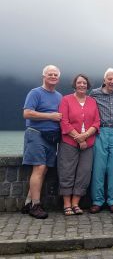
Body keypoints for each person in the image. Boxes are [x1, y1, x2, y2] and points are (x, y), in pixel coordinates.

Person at [21, 65, 62, 219]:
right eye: (50, 74)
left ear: (58, 78)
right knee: (39, 167)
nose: (53, 76)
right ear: (43, 76)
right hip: (36, 134)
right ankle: (35, 206)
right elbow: (27, 113)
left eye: (55, 75)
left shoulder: (59, 96)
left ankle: (28, 202)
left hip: (52, 138)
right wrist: (50, 116)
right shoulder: (35, 93)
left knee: (43, 170)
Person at [58, 74, 100, 215]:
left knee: (84, 172)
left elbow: (96, 122)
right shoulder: (66, 100)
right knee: (66, 171)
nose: (82, 85)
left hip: (88, 143)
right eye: (79, 82)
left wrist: (85, 137)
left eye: (84, 83)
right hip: (69, 142)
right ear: (75, 84)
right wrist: (78, 138)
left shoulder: (92, 101)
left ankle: (76, 203)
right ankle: (67, 204)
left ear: (88, 86)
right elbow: (64, 121)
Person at [89, 68, 113, 214]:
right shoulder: (94, 93)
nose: (112, 82)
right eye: (109, 79)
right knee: (99, 167)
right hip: (100, 131)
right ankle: (97, 200)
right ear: (104, 80)